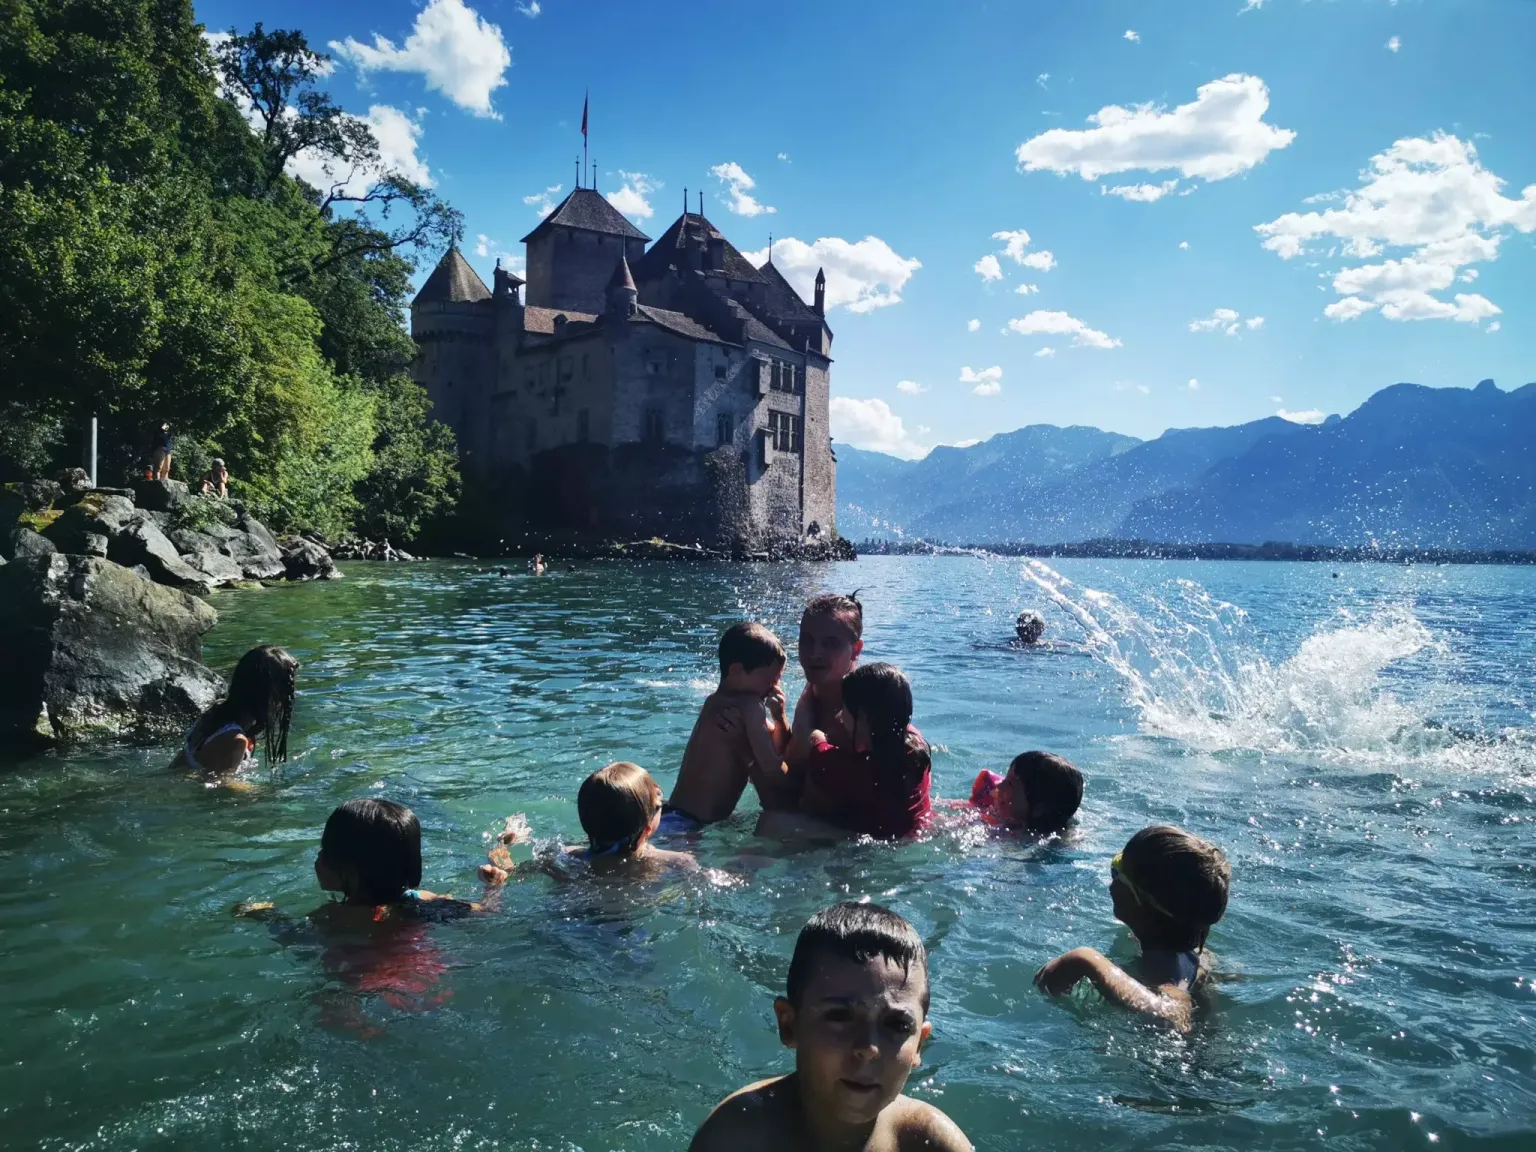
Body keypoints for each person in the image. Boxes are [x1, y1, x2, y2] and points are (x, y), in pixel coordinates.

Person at [689, 902, 971, 1152]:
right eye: (840, 1016)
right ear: (789, 1025)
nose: (868, 1048)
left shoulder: (931, 1143)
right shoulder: (735, 1137)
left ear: (919, 1044)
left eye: (897, 1024)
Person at [1034, 824, 1230, 1033]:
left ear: (1139, 902)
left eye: (1117, 871)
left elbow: (1172, 1017)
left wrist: (1086, 960)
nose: (1112, 880)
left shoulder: (1165, 976)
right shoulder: (1196, 959)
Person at [764, 663, 932, 841]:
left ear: (864, 721)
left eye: (845, 709)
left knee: (770, 822)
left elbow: (810, 737)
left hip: (871, 847)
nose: (840, 716)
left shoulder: (850, 770)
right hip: (918, 832)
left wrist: (810, 691)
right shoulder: (917, 748)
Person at [663, 622, 793, 832]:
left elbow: (772, 742)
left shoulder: (713, 702)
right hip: (692, 829)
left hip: (673, 814)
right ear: (736, 671)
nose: (775, 687)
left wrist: (779, 716)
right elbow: (774, 771)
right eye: (770, 680)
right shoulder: (749, 706)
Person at [481, 762, 698, 883]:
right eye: (659, 803)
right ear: (649, 827)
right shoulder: (676, 862)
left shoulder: (563, 857)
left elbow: (510, 871)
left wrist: (504, 845)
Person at [171, 645, 298, 780]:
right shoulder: (235, 741)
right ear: (272, 694)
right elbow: (221, 785)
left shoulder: (214, 713)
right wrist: (267, 794)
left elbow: (186, 762)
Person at [788, 593, 865, 760]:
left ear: (856, 650)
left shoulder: (860, 720)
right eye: (806, 640)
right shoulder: (814, 693)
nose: (815, 654)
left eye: (830, 643)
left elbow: (790, 784)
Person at [967, 751, 1083, 833]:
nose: (1000, 785)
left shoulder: (1014, 835)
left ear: (1039, 810)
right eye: (1005, 779)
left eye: (1010, 784)